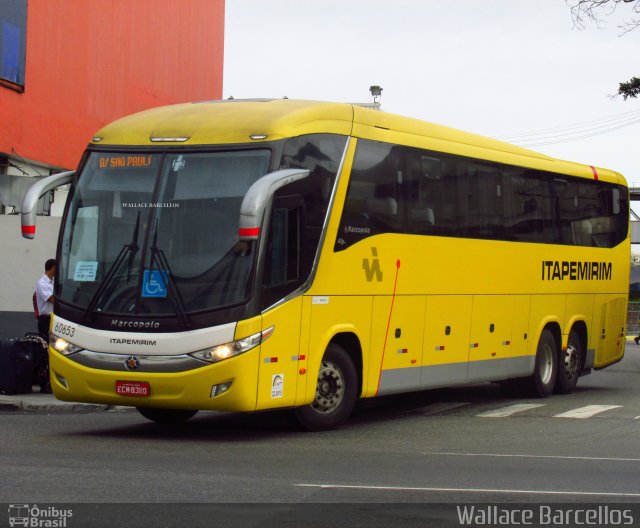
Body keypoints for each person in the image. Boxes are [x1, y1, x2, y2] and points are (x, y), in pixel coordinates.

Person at [35, 259, 56, 340]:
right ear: (53, 268)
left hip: (54, 318)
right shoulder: (42, 283)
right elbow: (51, 299)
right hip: (45, 319)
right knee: (45, 345)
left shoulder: (54, 281)